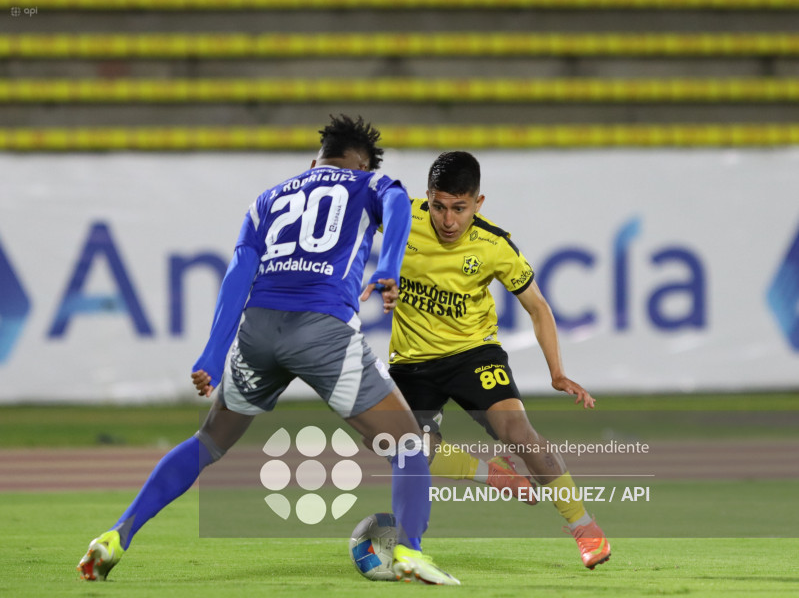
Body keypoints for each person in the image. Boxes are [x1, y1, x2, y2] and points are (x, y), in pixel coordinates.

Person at [77, 115, 459, 585]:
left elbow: (238, 275)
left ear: (314, 160)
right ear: (361, 162)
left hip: (258, 331)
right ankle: (410, 553)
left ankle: (117, 536)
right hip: (323, 329)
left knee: (208, 442)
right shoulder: (371, 182)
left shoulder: (268, 199)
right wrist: (392, 268)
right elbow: (401, 205)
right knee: (407, 446)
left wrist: (212, 356)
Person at [387, 151, 611, 569]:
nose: (448, 220)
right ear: (427, 199)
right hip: (411, 362)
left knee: (519, 432)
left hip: (473, 353)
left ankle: (584, 527)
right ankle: (492, 474)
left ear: (479, 203)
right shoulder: (401, 216)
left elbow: (539, 307)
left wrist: (557, 373)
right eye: (438, 206)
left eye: (459, 208)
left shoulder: (494, 245)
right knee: (400, 447)